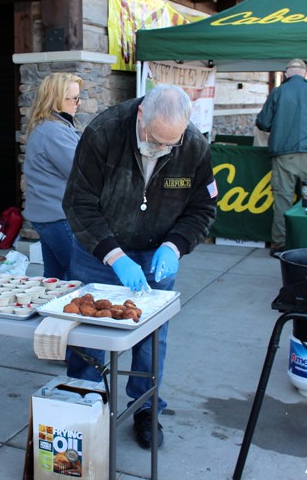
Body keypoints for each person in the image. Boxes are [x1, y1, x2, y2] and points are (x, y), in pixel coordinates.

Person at [62, 84, 218, 449]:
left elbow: (203, 208)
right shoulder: (104, 133)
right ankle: (83, 402)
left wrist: (175, 247)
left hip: (156, 254)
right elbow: (78, 203)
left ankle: (146, 409)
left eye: (170, 143)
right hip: (99, 254)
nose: (162, 149)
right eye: (155, 140)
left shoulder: (193, 145)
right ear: (141, 114)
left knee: (152, 336)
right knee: (88, 333)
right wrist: (114, 255)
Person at [255, 59, 307, 256]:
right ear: (305, 73)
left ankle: (280, 245)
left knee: (282, 201)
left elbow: (263, 122)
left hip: (284, 155)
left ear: (286, 74)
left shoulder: (278, 92)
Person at [22, 73, 83, 280]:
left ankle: (50, 312)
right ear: (56, 99)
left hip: (49, 216)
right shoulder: (53, 131)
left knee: (55, 279)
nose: (78, 103)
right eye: (74, 98)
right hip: (57, 216)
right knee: (80, 275)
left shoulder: (54, 127)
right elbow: (80, 171)